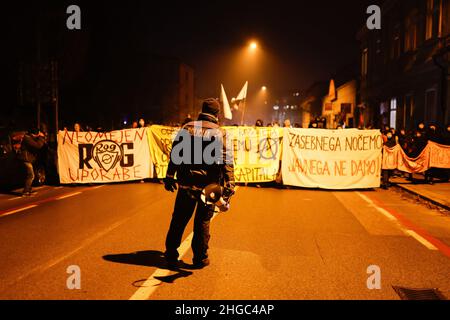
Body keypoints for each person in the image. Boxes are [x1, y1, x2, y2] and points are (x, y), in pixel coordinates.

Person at [163, 98, 235, 269]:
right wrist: (230, 183)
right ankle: (200, 258)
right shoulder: (220, 132)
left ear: (202, 110)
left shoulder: (187, 128)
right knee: (202, 221)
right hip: (210, 186)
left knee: (179, 219)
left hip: (186, 183)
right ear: (217, 114)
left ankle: (171, 253)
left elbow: (175, 154)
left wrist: (169, 176)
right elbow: (227, 160)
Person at [18, 128, 46, 196]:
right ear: (35, 134)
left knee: (29, 175)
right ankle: (25, 191)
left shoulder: (29, 138)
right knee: (31, 175)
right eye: (38, 134)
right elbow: (38, 145)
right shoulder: (27, 138)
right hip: (26, 159)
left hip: (28, 159)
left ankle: (28, 189)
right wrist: (41, 137)